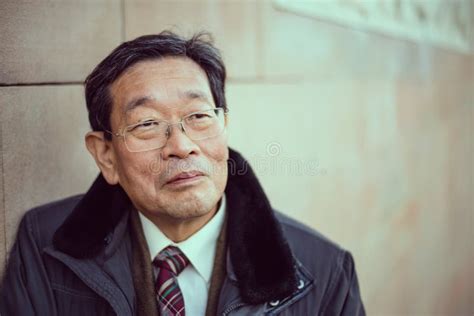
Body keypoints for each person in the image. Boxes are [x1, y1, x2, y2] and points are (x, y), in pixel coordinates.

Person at [0, 31, 365, 316]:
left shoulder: (324, 271)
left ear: (224, 125)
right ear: (106, 155)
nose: (181, 145)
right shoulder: (45, 244)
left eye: (199, 116)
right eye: (147, 123)